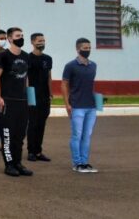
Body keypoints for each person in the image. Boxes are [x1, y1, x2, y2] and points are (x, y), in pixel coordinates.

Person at [0, 27, 33, 177]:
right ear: (10, 39)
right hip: (8, 100)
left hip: (22, 101)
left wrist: (30, 97)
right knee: (8, 134)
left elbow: (26, 78)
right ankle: (9, 164)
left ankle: (18, 162)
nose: (20, 38)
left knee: (20, 134)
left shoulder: (25, 56)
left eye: (22, 35)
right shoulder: (3, 56)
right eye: (17, 36)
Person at [62, 38, 100, 173]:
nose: (87, 50)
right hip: (77, 105)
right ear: (78, 49)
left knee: (87, 135)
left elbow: (91, 85)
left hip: (91, 106)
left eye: (89, 48)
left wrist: (98, 101)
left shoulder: (93, 66)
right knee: (77, 135)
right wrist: (67, 104)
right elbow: (64, 84)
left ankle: (84, 162)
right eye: (85, 48)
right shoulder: (70, 66)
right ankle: (76, 163)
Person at [26, 32, 53, 162]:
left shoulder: (48, 59)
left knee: (42, 124)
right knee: (33, 124)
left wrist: (51, 92)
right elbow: (25, 77)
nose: (41, 43)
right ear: (32, 42)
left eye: (43, 40)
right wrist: (27, 93)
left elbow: (49, 76)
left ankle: (38, 151)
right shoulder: (27, 58)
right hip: (32, 95)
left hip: (45, 96)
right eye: (39, 41)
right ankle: (31, 151)